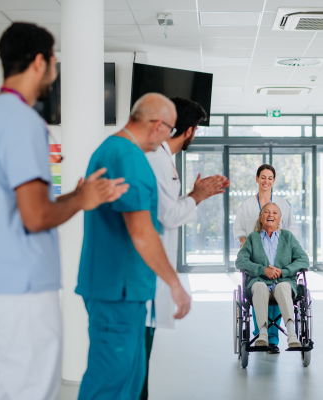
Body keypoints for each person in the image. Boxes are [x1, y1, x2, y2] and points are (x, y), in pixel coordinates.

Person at [0, 22, 128, 400]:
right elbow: (35, 217)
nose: (55, 71)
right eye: (54, 61)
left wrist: (73, 196)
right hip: (25, 293)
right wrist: (83, 200)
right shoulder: (25, 122)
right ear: (39, 61)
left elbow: (20, 207)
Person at [75, 93, 192, 399]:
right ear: (157, 125)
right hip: (117, 289)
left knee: (129, 378)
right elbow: (141, 231)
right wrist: (174, 283)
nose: (170, 136)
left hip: (121, 288)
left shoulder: (116, 151)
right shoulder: (128, 157)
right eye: (170, 129)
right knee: (110, 380)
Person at [141, 97, 229, 399]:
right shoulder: (156, 159)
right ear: (189, 131)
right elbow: (168, 215)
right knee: (137, 361)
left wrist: (194, 194)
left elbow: (166, 209)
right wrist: (198, 196)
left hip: (149, 273)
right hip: (144, 276)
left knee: (141, 360)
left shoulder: (163, 158)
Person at [233, 164, 299, 353]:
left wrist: (283, 243)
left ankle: (273, 339)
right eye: (263, 177)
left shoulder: (282, 203)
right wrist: (248, 243)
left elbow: (291, 228)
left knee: (280, 290)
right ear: (257, 179)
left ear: (274, 181)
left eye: (270, 178)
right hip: (255, 257)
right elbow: (238, 229)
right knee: (259, 289)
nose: (266, 181)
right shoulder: (247, 205)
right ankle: (260, 333)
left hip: (278, 255)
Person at [235, 202, 309, 348]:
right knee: (260, 286)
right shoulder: (252, 238)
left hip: (283, 283)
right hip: (259, 284)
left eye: (275, 213)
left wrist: (283, 271)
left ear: (279, 219)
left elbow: (303, 260)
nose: (271, 215)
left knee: (282, 287)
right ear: (261, 218)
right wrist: (263, 270)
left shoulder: (287, 237)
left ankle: (292, 335)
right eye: (267, 212)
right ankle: (262, 334)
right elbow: (240, 262)